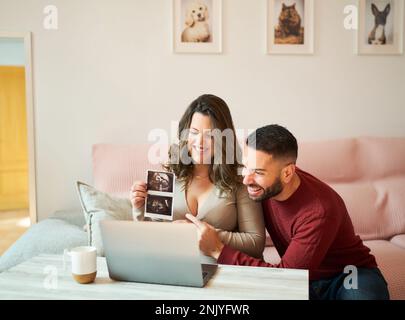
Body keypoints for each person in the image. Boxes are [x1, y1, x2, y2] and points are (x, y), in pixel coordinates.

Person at [186, 124, 390, 300]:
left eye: (258, 172)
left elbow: (285, 276)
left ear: (287, 173)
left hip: (348, 275)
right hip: (303, 281)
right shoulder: (259, 186)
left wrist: (218, 250)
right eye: (246, 167)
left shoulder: (319, 211)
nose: (246, 179)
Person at [130, 94, 265, 259]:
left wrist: (199, 232)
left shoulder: (239, 179)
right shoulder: (168, 174)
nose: (200, 142)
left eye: (209, 135)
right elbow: (150, 239)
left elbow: (256, 243)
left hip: (222, 271)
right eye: (193, 133)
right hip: (173, 267)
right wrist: (138, 208)